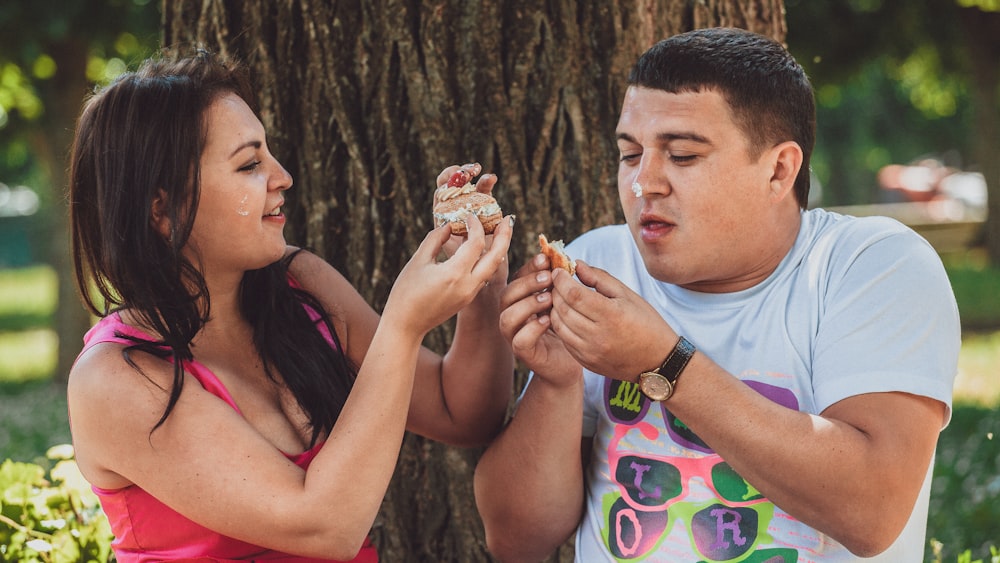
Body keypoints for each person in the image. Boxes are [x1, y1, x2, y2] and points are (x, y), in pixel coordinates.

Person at [474, 27, 959, 562]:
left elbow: (872, 512)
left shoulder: (869, 268)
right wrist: (558, 380)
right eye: (630, 154)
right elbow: (516, 541)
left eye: (681, 156)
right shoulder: (602, 266)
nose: (644, 184)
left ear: (779, 171)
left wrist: (663, 363)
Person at [66, 49, 515, 562]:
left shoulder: (301, 286)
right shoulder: (115, 380)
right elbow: (325, 528)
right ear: (162, 209)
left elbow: (464, 415)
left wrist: (481, 285)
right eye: (250, 163)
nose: (282, 177)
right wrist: (403, 324)